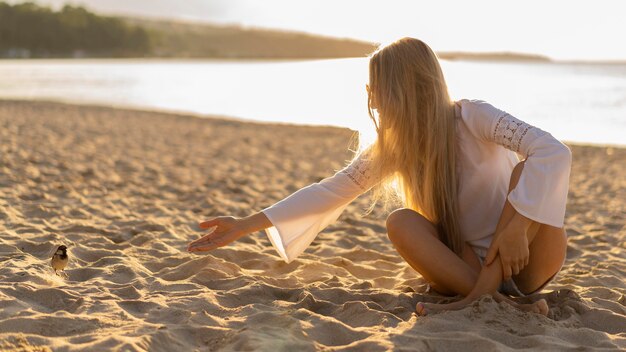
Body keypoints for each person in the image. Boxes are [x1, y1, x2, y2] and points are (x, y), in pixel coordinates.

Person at [187, 37, 572, 316]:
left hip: (527, 255)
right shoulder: (396, 148)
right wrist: (244, 225)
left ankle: (481, 299)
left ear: (405, 88)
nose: (371, 98)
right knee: (401, 221)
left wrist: (517, 228)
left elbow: (553, 151)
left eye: (378, 88)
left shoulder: (474, 117)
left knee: (528, 168)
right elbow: (330, 191)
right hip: (463, 265)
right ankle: (494, 300)